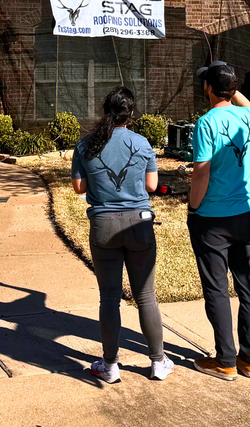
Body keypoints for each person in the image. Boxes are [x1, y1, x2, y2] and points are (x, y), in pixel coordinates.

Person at [72, 86, 175, 384]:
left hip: (103, 226)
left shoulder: (85, 144)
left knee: (109, 297)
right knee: (146, 296)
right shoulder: (142, 143)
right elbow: (152, 185)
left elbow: (79, 188)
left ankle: (110, 365)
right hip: (139, 225)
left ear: (105, 110)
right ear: (131, 114)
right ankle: (158, 362)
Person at [187, 61, 250, 381]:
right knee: (247, 285)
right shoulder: (247, 117)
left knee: (217, 289)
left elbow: (201, 173)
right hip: (246, 214)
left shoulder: (205, 123)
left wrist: (193, 208)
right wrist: (231, 87)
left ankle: (226, 361)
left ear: (207, 88)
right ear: (232, 89)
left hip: (212, 219)